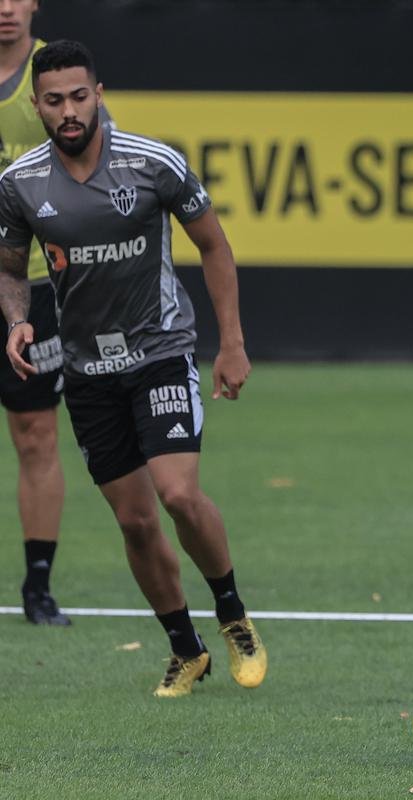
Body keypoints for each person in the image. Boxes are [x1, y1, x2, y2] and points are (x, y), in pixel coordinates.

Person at [0, 40, 267, 697]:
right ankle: (185, 648)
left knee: (176, 494)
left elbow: (214, 246)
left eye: (79, 96)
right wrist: (17, 320)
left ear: (99, 94)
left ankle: (232, 612)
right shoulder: (20, 183)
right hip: (88, 371)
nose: (68, 111)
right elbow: (9, 270)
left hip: (161, 351)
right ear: (37, 105)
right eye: (54, 100)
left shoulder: (152, 163)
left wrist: (232, 343)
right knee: (135, 522)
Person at [0, 0, 68, 625]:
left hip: (31, 285)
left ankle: (38, 586)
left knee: (36, 433)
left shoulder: (56, 78)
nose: (4, 8)